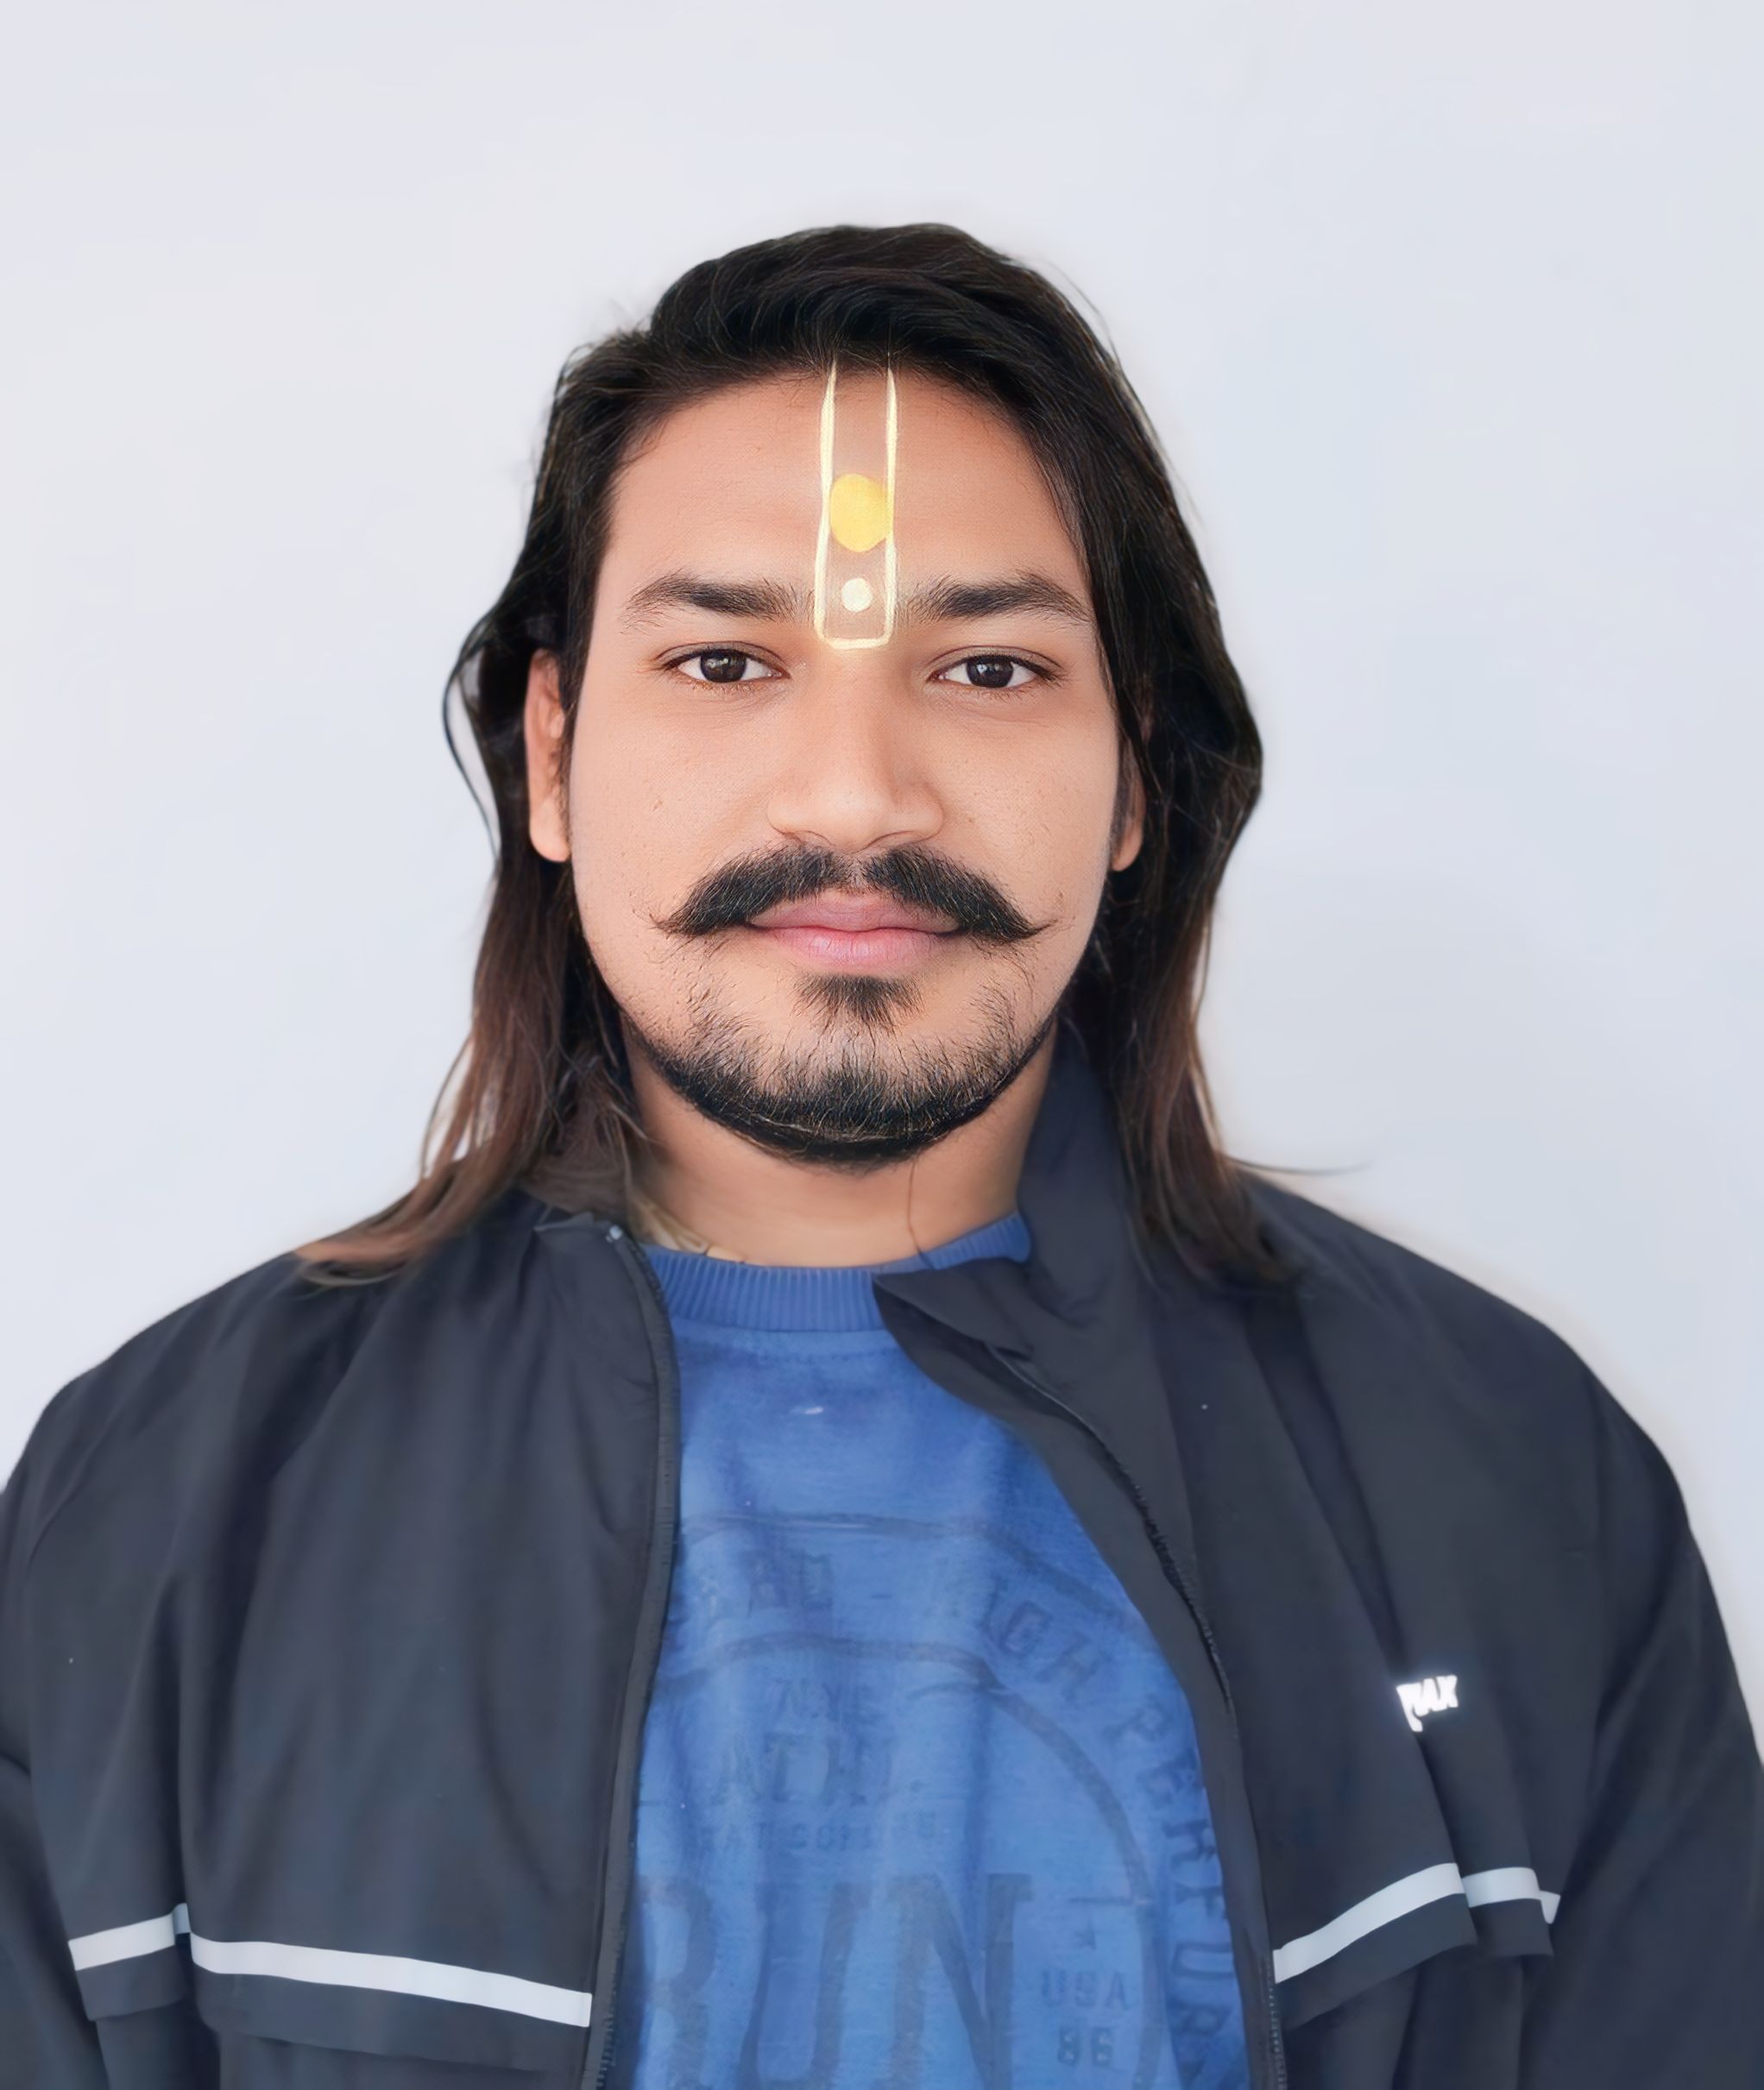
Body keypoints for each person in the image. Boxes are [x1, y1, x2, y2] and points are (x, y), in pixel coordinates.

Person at [3, 223, 1759, 2090]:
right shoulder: (156, 1508)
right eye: (722, 658)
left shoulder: (1506, 1473)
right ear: (553, 749)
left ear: (1135, 772)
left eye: (987, 667)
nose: (853, 792)